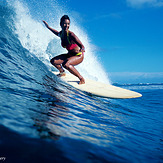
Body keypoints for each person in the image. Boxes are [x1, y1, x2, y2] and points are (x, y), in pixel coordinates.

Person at [43, 15, 85, 84]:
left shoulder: (71, 35)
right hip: (69, 55)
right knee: (53, 61)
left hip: (78, 56)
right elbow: (56, 33)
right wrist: (48, 27)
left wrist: (82, 49)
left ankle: (81, 79)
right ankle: (62, 72)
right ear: (61, 24)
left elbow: (82, 45)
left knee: (66, 64)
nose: (66, 25)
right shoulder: (61, 34)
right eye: (65, 23)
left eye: (68, 24)